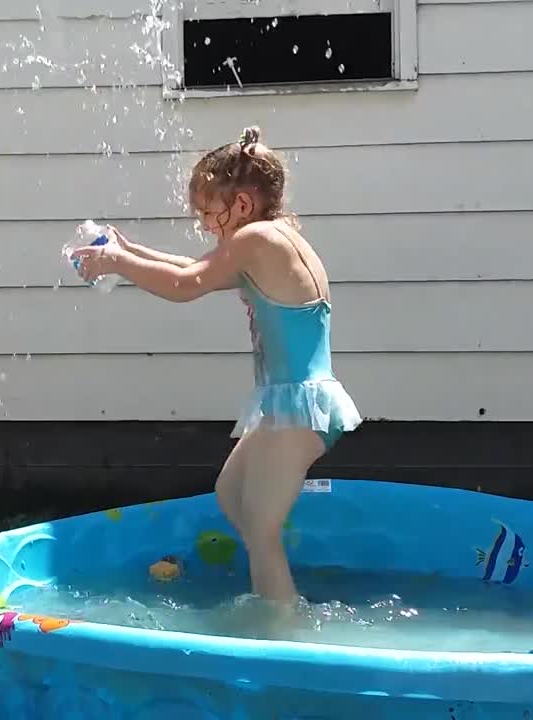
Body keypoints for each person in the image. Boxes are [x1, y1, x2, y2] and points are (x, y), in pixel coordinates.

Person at [70, 126, 362, 614]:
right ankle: (279, 593)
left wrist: (118, 261)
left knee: (261, 525)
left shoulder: (258, 239)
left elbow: (187, 284)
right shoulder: (269, 239)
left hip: (300, 407)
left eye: (209, 212)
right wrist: (129, 249)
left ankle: (283, 632)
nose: (205, 224)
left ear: (242, 205)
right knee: (232, 496)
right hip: (290, 403)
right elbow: (192, 266)